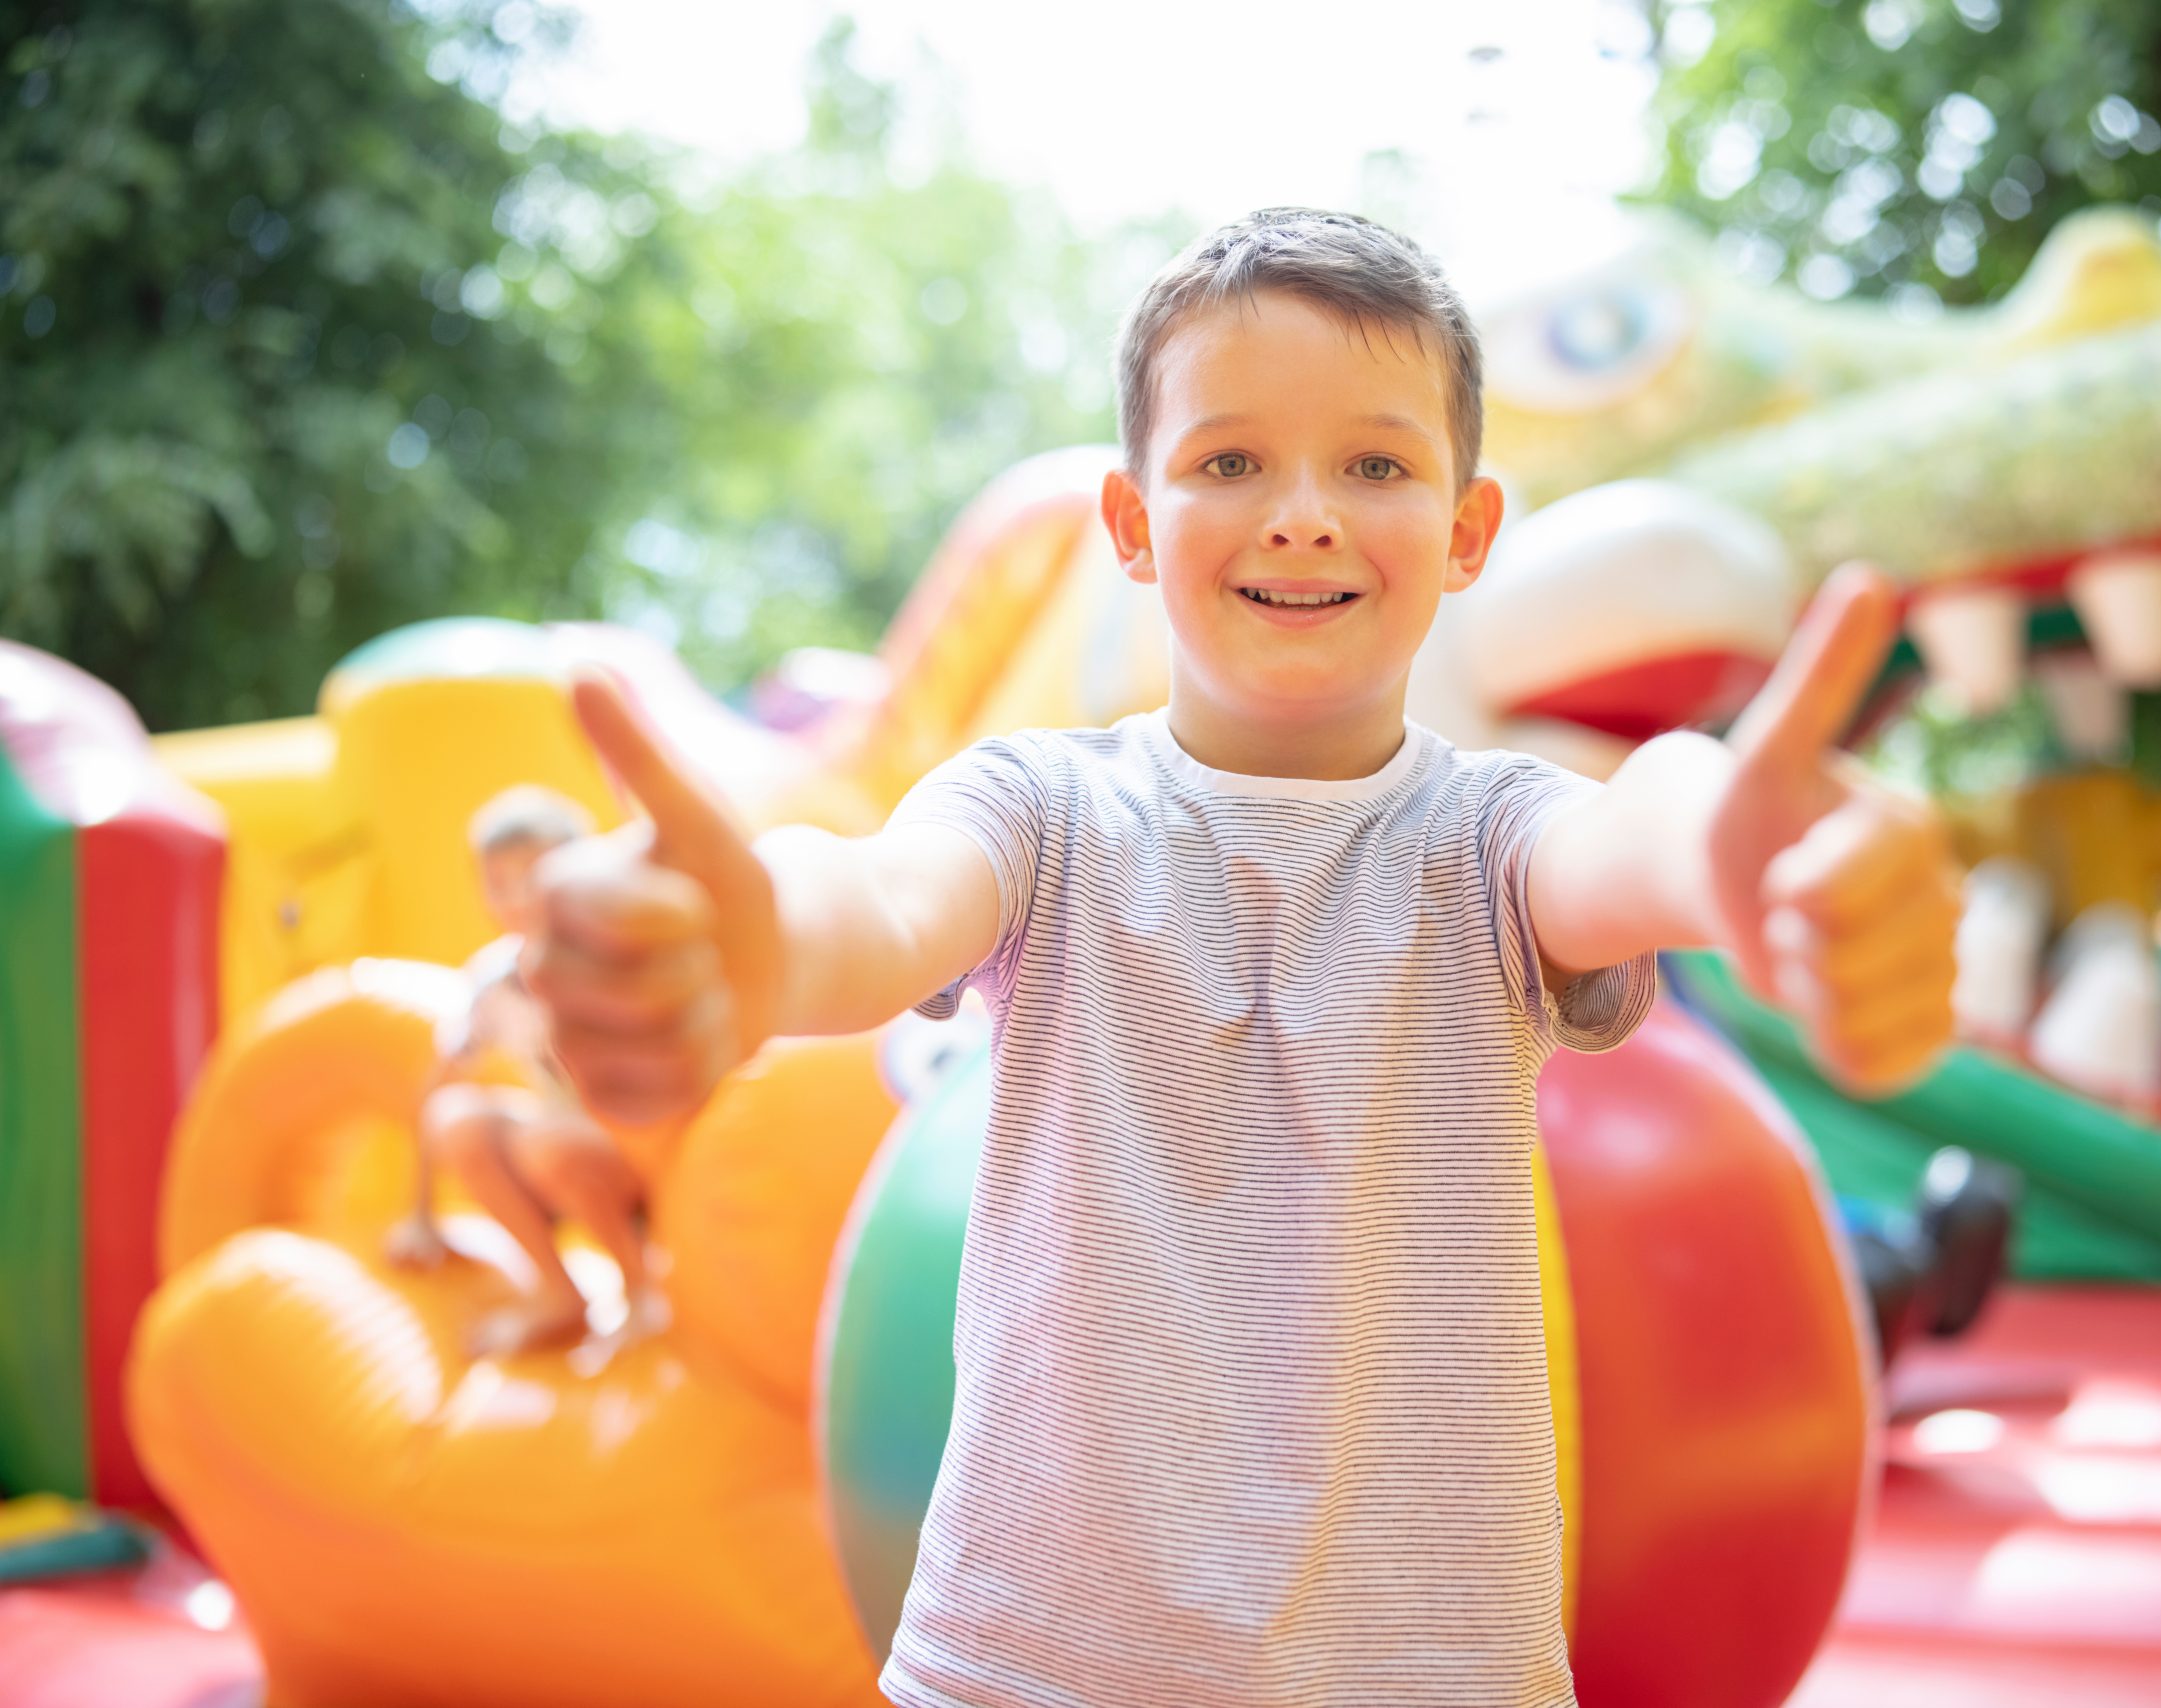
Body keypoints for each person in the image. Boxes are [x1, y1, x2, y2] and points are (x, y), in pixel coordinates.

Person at [525, 209, 1960, 1707]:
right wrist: (746, 946)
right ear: (1133, 524)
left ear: (1469, 532)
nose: (1303, 515)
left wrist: (1739, 849)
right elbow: (873, 906)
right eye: (1229, 462)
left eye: (1377, 465)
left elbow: (1638, 834)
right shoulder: (1041, 811)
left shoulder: (1489, 842)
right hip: (1028, 1676)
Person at [390, 783, 662, 1359]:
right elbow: (438, 1084)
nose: (517, 897)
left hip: (645, 1146)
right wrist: (420, 1214)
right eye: (500, 883)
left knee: (548, 1141)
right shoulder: (494, 983)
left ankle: (644, 1291)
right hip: (566, 1150)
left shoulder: (615, 953)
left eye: (535, 878)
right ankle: (558, 1291)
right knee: (457, 1118)